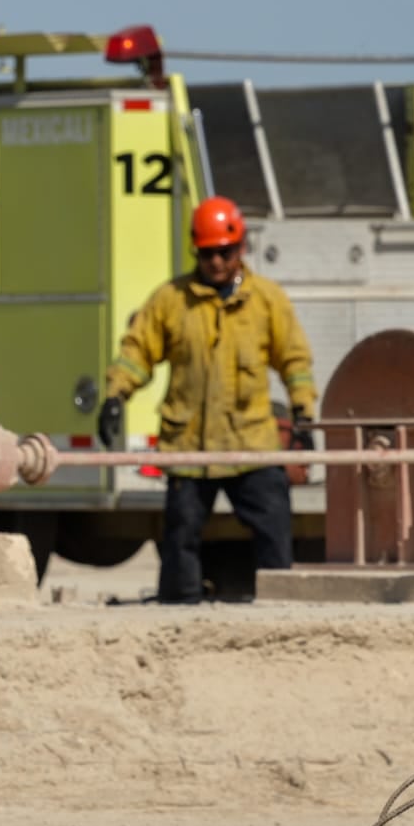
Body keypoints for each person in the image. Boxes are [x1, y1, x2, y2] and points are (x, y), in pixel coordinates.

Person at [99, 195, 315, 604]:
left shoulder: (267, 301)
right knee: (180, 534)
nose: (216, 262)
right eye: (207, 253)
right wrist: (116, 395)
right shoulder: (171, 301)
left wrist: (303, 413)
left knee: (273, 526)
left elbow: (295, 360)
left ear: (240, 248)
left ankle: (281, 606)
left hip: (250, 444)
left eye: (224, 252)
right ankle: (179, 609)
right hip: (190, 447)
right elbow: (138, 351)